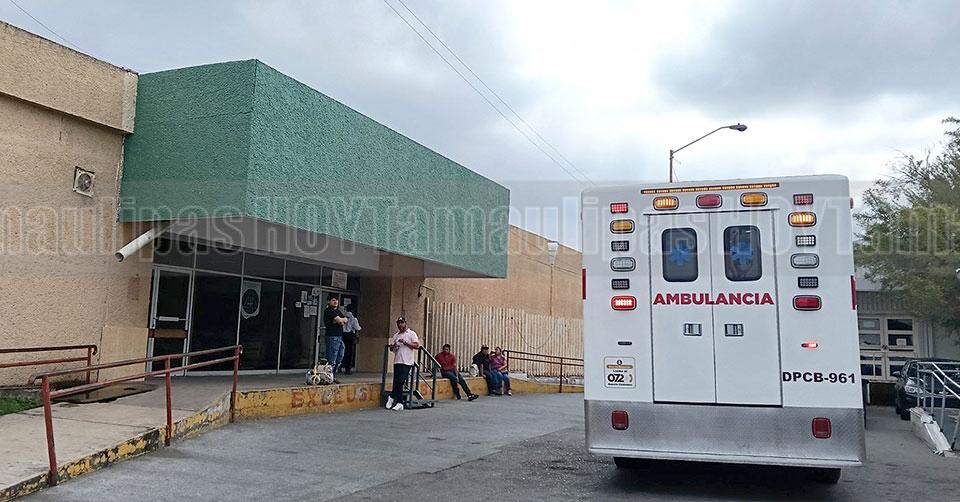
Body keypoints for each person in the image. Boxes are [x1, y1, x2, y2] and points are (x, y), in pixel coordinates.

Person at [386, 316, 420, 411]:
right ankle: (398, 401)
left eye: (402, 323)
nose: (400, 325)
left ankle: (393, 397)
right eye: (398, 323)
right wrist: (393, 347)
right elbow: (392, 349)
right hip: (398, 360)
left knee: (401, 381)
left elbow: (417, 345)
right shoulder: (396, 335)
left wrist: (406, 343)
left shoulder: (411, 333)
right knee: (397, 381)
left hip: (407, 361)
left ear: (405, 323)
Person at [323, 296, 348, 378]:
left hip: (340, 336)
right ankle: (328, 377)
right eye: (333, 300)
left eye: (336, 300)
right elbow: (340, 321)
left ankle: (333, 375)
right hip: (332, 336)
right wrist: (340, 320)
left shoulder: (337, 311)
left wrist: (339, 321)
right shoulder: (329, 311)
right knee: (332, 358)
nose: (335, 302)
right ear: (329, 301)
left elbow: (345, 320)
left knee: (340, 356)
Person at [341, 306, 361, 375]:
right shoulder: (353, 318)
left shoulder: (342, 316)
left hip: (342, 334)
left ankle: (340, 366)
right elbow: (357, 327)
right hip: (350, 335)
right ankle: (347, 369)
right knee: (349, 352)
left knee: (342, 351)